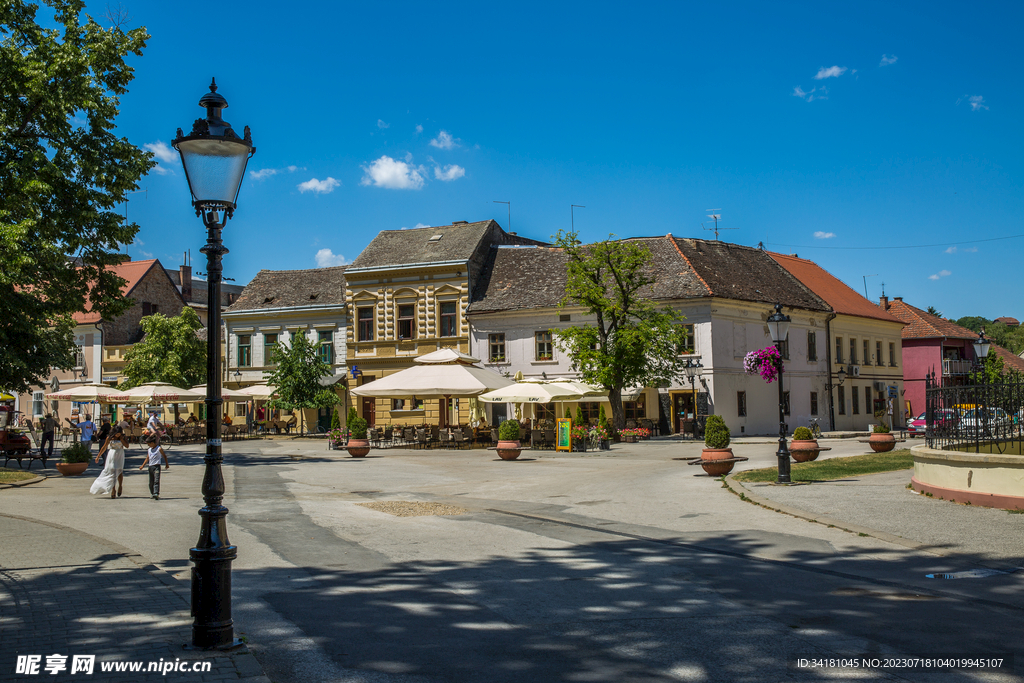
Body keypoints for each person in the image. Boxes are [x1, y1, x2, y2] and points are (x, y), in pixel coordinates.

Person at [91, 426, 128, 499]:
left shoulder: (123, 437)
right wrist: (98, 456)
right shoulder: (110, 438)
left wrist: (121, 440)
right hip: (112, 454)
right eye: (117, 433)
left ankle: (120, 486)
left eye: (119, 433)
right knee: (112, 472)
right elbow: (104, 447)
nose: (118, 435)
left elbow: (127, 446)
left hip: (120, 454)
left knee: (120, 471)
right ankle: (113, 489)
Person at [139, 436, 169, 500]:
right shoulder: (149, 450)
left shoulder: (159, 449)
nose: (148, 445)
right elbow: (147, 458)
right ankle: (152, 493)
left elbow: (164, 456)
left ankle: (156, 493)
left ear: (152, 443)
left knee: (156, 480)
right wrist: (142, 465)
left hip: (157, 466)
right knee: (151, 482)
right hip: (150, 467)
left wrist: (167, 464)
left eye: (149, 444)